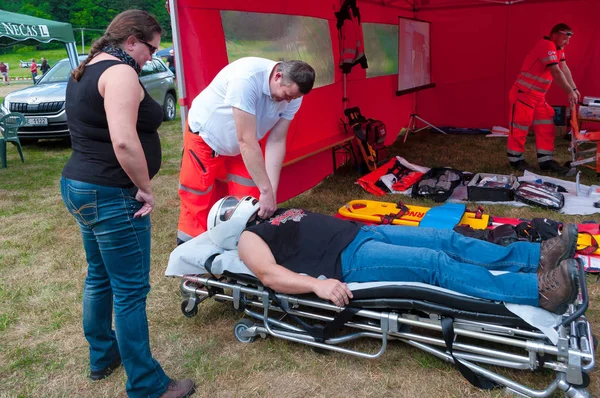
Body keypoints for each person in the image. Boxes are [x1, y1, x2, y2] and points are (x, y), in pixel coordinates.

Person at [60, 9, 195, 398]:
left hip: (81, 186)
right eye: (150, 48)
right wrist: (145, 188)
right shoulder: (119, 73)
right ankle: (148, 384)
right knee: (130, 291)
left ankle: (103, 355)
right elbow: (122, 140)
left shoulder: (90, 67)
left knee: (99, 276)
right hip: (111, 193)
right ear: (131, 40)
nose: (152, 56)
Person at [211, 196, 579, 315]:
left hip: (364, 232)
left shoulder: (274, 213)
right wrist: (316, 287)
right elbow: (271, 277)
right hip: (349, 259)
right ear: (228, 221)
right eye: (232, 206)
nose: (243, 202)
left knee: (446, 239)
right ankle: (538, 291)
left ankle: (536, 256)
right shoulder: (248, 239)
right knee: (435, 266)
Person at [176, 57, 316, 244]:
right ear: (278, 76)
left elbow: (277, 140)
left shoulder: (293, 95)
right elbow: (245, 139)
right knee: (197, 199)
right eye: (285, 95)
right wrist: (266, 191)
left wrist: (270, 192)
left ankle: (238, 248)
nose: (288, 101)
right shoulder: (246, 79)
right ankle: (190, 254)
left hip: (245, 145)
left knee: (248, 201)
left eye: (293, 98)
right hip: (207, 138)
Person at [507, 23, 580, 175]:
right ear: (555, 34)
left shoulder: (558, 49)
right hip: (524, 94)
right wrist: (569, 91)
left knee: (546, 125)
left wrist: (573, 89)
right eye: (565, 38)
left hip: (538, 97)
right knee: (520, 127)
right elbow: (556, 71)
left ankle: (546, 161)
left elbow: (564, 69)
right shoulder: (546, 45)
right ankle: (515, 159)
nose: (567, 42)